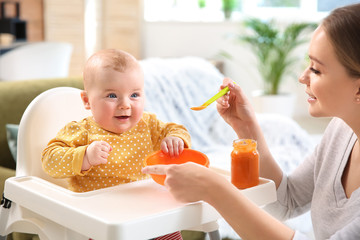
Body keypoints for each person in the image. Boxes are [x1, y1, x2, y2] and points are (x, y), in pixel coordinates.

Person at [142, 3, 360, 240]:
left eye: (316, 70)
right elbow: (286, 202)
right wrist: (247, 129)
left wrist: (215, 190)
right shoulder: (341, 131)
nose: (302, 77)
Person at [42, 49, 190, 240]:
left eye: (134, 95)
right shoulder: (81, 131)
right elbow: (49, 160)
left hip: (146, 208)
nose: (125, 104)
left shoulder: (149, 125)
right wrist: (85, 156)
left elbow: (177, 129)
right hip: (100, 216)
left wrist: (175, 139)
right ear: (87, 101)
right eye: (112, 96)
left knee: (169, 228)